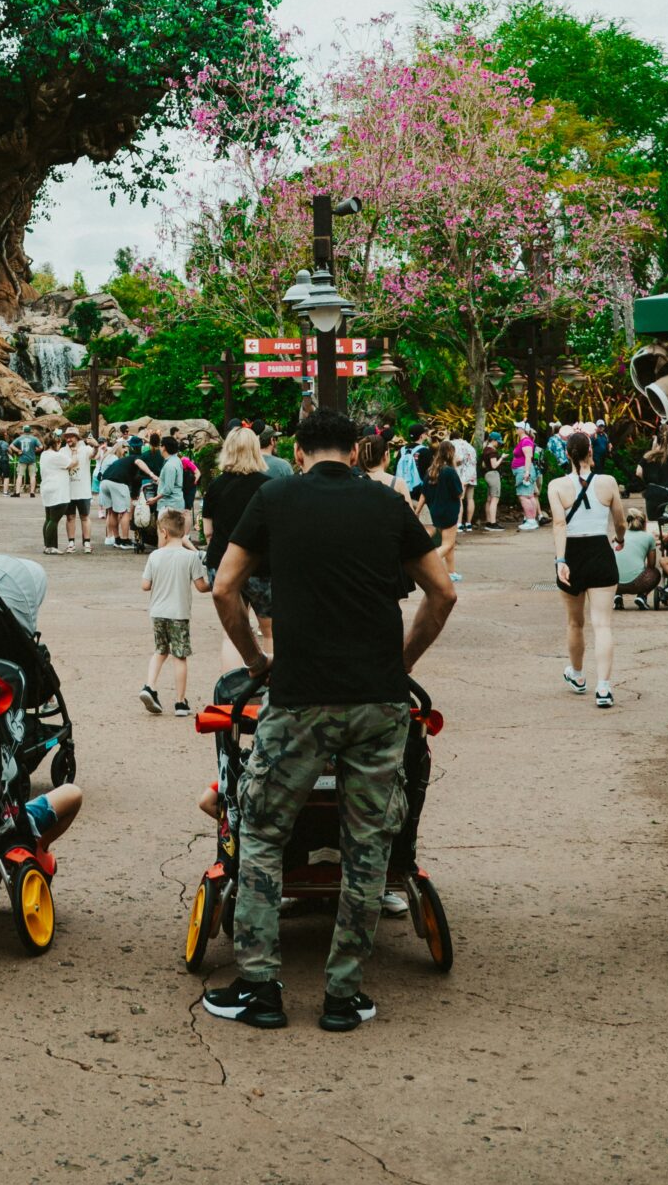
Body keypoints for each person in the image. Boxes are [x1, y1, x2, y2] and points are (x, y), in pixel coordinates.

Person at [205, 408, 458, 1033]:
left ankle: (261, 987)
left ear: (296, 446)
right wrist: (399, 664)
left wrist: (256, 660)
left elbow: (223, 587)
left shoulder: (274, 496)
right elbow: (443, 593)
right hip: (377, 700)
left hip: (298, 697)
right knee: (367, 847)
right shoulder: (389, 504)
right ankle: (344, 996)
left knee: (262, 834)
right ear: (357, 448)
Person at [549, 430, 627, 709]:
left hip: (572, 552)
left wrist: (561, 561)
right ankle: (603, 688)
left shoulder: (556, 486)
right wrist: (620, 539)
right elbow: (620, 521)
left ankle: (578, 675)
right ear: (590, 452)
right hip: (600, 551)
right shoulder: (608, 482)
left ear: (568, 455)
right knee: (602, 623)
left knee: (575, 622)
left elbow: (559, 524)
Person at [202, 426, 275, 671]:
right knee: (270, 630)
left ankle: (232, 690)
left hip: (222, 565)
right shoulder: (268, 487)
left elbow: (208, 532)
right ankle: (270, 689)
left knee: (232, 632)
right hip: (262, 566)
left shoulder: (215, 487)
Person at [139, 509, 208, 715]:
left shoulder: (155, 556)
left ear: (164, 532)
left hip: (158, 612)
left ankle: (149, 686)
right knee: (180, 656)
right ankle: (180, 702)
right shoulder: (190, 558)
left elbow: (145, 585)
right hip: (179, 613)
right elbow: (201, 586)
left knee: (160, 650)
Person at [412, 440, 464, 581]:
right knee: (447, 545)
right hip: (449, 511)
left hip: (435, 511)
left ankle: (451, 572)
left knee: (449, 544)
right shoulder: (450, 472)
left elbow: (424, 494)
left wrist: (416, 512)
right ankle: (426, 566)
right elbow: (460, 493)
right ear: (451, 453)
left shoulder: (431, 471)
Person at [38, 432, 76, 554]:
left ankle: (48, 546)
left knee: (49, 519)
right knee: (54, 520)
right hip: (58, 490)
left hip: (47, 489)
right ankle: (50, 547)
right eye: (59, 442)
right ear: (55, 443)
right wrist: (75, 453)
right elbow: (72, 463)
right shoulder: (56, 456)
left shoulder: (44, 454)